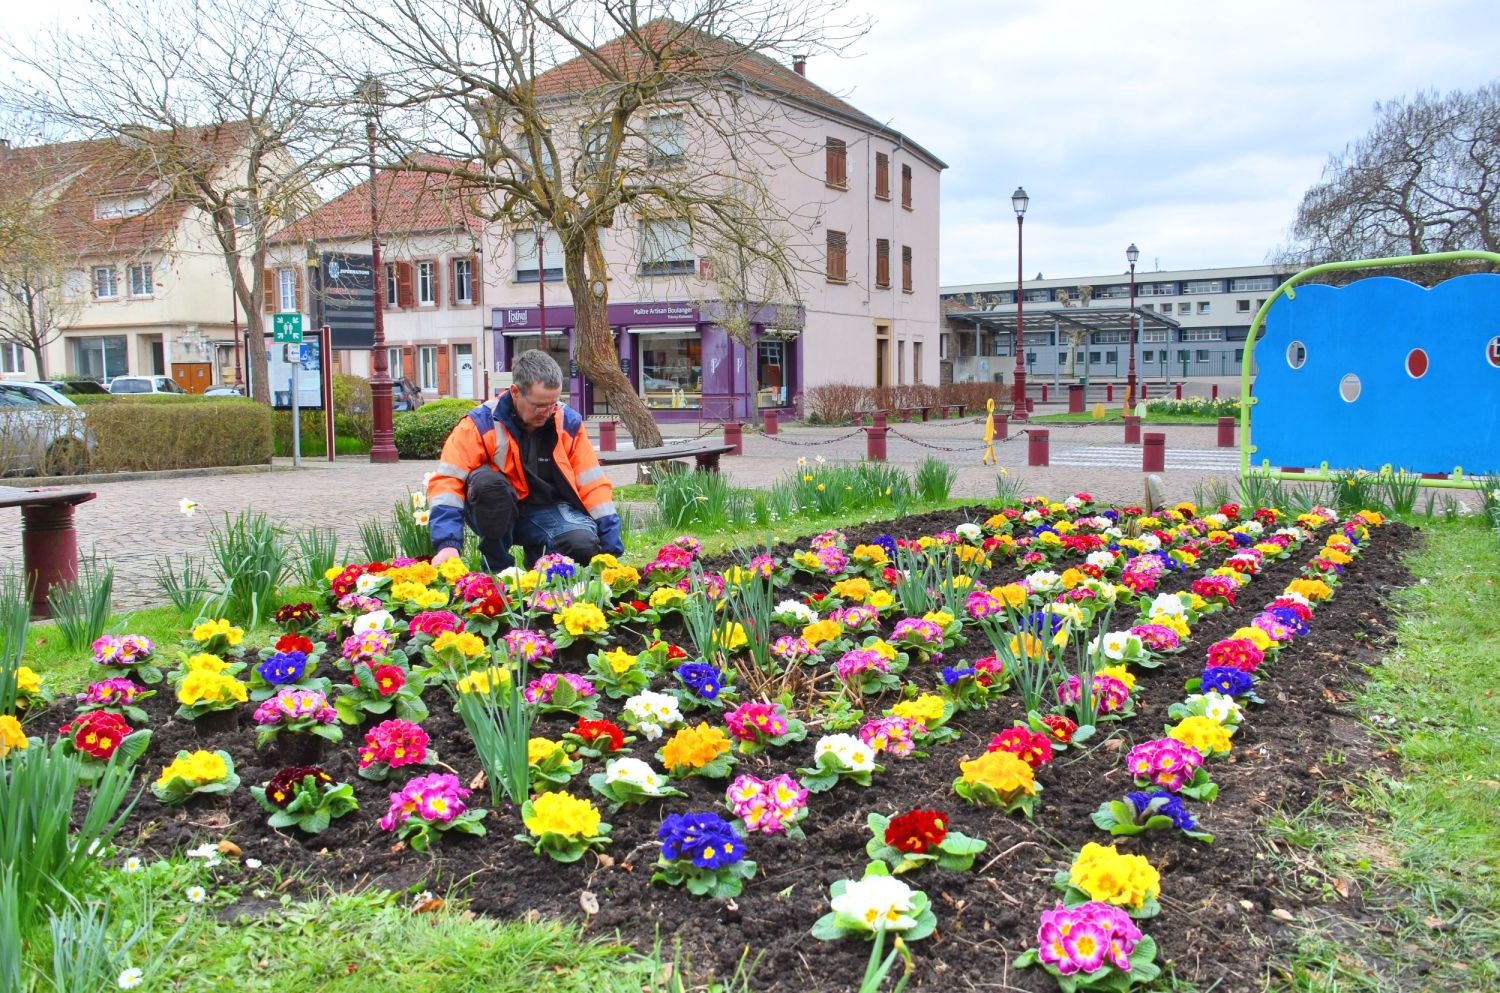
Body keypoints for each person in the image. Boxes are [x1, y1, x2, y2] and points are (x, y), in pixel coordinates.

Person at [427, 349, 623, 570]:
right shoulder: (479, 424)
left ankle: (539, 565)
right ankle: (497, 569)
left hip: (547, 510)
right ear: (515, 392)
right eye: (539, 405)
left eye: (553, 404)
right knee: (490, 485)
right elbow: (447, 482)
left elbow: (592, 484)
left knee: (582, 546)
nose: (547, 412)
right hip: (494, 510)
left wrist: (611, 549)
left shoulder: (567, 422)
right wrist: (447, 544)